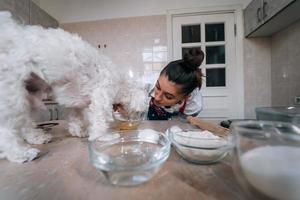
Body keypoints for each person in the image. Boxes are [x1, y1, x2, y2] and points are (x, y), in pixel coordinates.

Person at [147, 48, 204, 120]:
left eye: (168, 96)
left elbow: (184, 125)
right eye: (158, 87)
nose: (157, 98)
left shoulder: (194, 105)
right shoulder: (149, 84)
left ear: (185, 97)